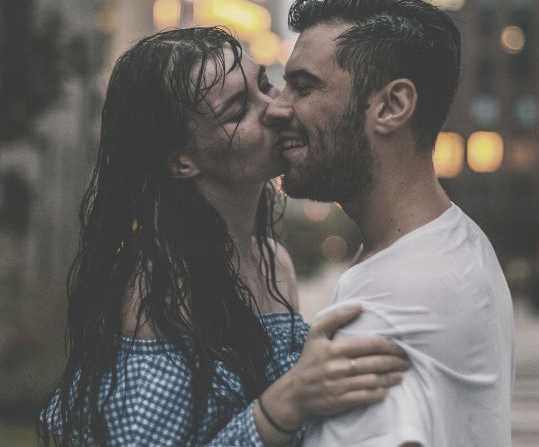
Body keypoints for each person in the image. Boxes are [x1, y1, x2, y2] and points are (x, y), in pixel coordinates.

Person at [39, 26, 409, 446]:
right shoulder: (156, 294)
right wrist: (282, 406)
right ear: (181, 160)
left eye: (264, 86)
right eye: (237, 110)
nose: (275, 109)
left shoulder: (274, 261)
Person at [265, 0, 515, 447]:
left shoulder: (390, 302)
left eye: (303, 87)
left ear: (392, 106)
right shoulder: (457, 242)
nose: (277, 108)